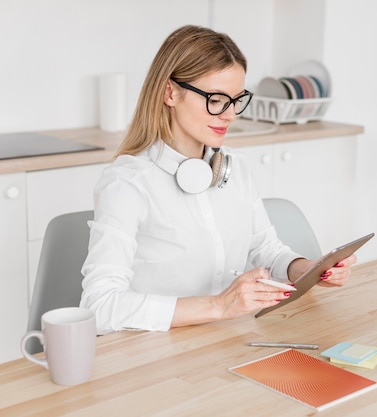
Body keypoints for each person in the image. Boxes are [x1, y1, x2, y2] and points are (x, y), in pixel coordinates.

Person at [79, 25, 357, 335]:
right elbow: (99, 305)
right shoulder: (127, 183)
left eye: (236, 100)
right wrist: (219, 305)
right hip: (155, 352)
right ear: (170, 92)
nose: (229, 115)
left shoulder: (234, 168)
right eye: (216, 99)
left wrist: (306, 269)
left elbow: (265, 247)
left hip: (228, 339)